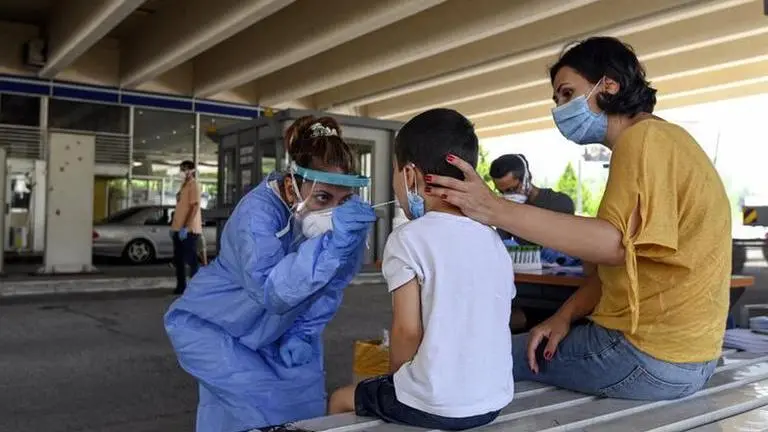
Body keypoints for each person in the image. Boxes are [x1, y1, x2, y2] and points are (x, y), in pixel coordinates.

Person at [423, 36, 731, 401]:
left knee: (474, 358)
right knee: (533, 339)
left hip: (646, 355)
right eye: (556, 100)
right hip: (692, 360)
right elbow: (628, 262)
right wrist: (564, 315)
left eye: (567, 94)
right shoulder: (670, 140)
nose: (559, 110)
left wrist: (493, 207)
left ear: (609, 86)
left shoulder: (641, 140)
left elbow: (613, 244)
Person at [164, 116, 377, 432]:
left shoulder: (347, 221)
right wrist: (332, 248)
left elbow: (332, 285)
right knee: (252, 413)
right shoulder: (257, 214)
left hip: (283, 330)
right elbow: (272, 291)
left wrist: (304, 331)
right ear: (293, 184)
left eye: (343, 200)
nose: (333, 210)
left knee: (304, 417)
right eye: (322, 198)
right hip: (217, 326)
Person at [328, 109, 515, 430]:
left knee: (339, 399)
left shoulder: (407, 238)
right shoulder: (491, 235)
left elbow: (407, 331)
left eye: (395, 171)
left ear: (410, 174)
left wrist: (399, 385)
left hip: (437, 403)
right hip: (494, 398)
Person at [490, 154, 574, 246]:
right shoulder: (507, 210)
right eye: (501, 191)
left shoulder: (560, 203)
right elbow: (501, 243)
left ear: (527, 177)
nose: (508, 195)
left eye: (512, 189)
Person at [171, 160, 202, 294]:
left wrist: (186, 226)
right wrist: (175, 226)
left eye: (184, 169)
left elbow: (194, 207)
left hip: (189, 230)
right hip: (179, 228)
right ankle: (181, 286)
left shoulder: (194, 185)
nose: (182, 172)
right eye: (181, 169)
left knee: (191, 260)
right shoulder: (183, 186)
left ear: (192, 170)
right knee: (179, 260)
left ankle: (195, 287)